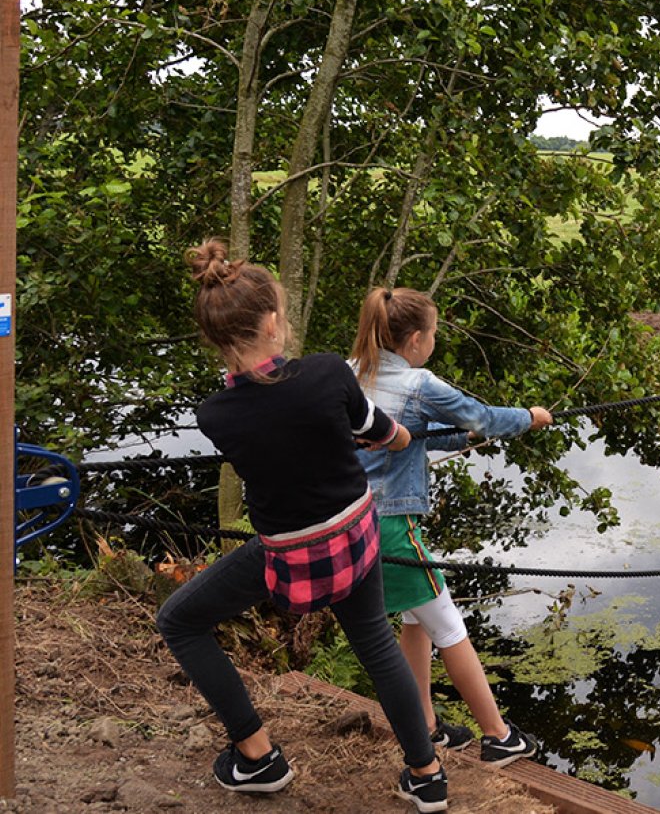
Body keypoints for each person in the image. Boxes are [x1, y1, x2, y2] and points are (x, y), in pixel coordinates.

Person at [155, 242, 450, 813]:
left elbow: (274, 435)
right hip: (355, 537)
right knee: (377, 646)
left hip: (288, 557)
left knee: (181, 621)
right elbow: (383, 432)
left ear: (217, 339)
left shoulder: (214, 415)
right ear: (272, 323)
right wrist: (393, 437)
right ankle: (427, 774)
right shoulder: (325, 373)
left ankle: (257, 757)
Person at [350, 285, 552, 766]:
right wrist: (529, 418)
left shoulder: (348, 373)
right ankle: (499, 735)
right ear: (416, 339)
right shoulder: (419, 384)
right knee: (449, 626)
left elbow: (408, 433)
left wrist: (459, 437)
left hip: (353, 521)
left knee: (415, 620)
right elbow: (483, 417)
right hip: (394, 524)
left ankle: (426, 724)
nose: (435, 341)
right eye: (435, 333)